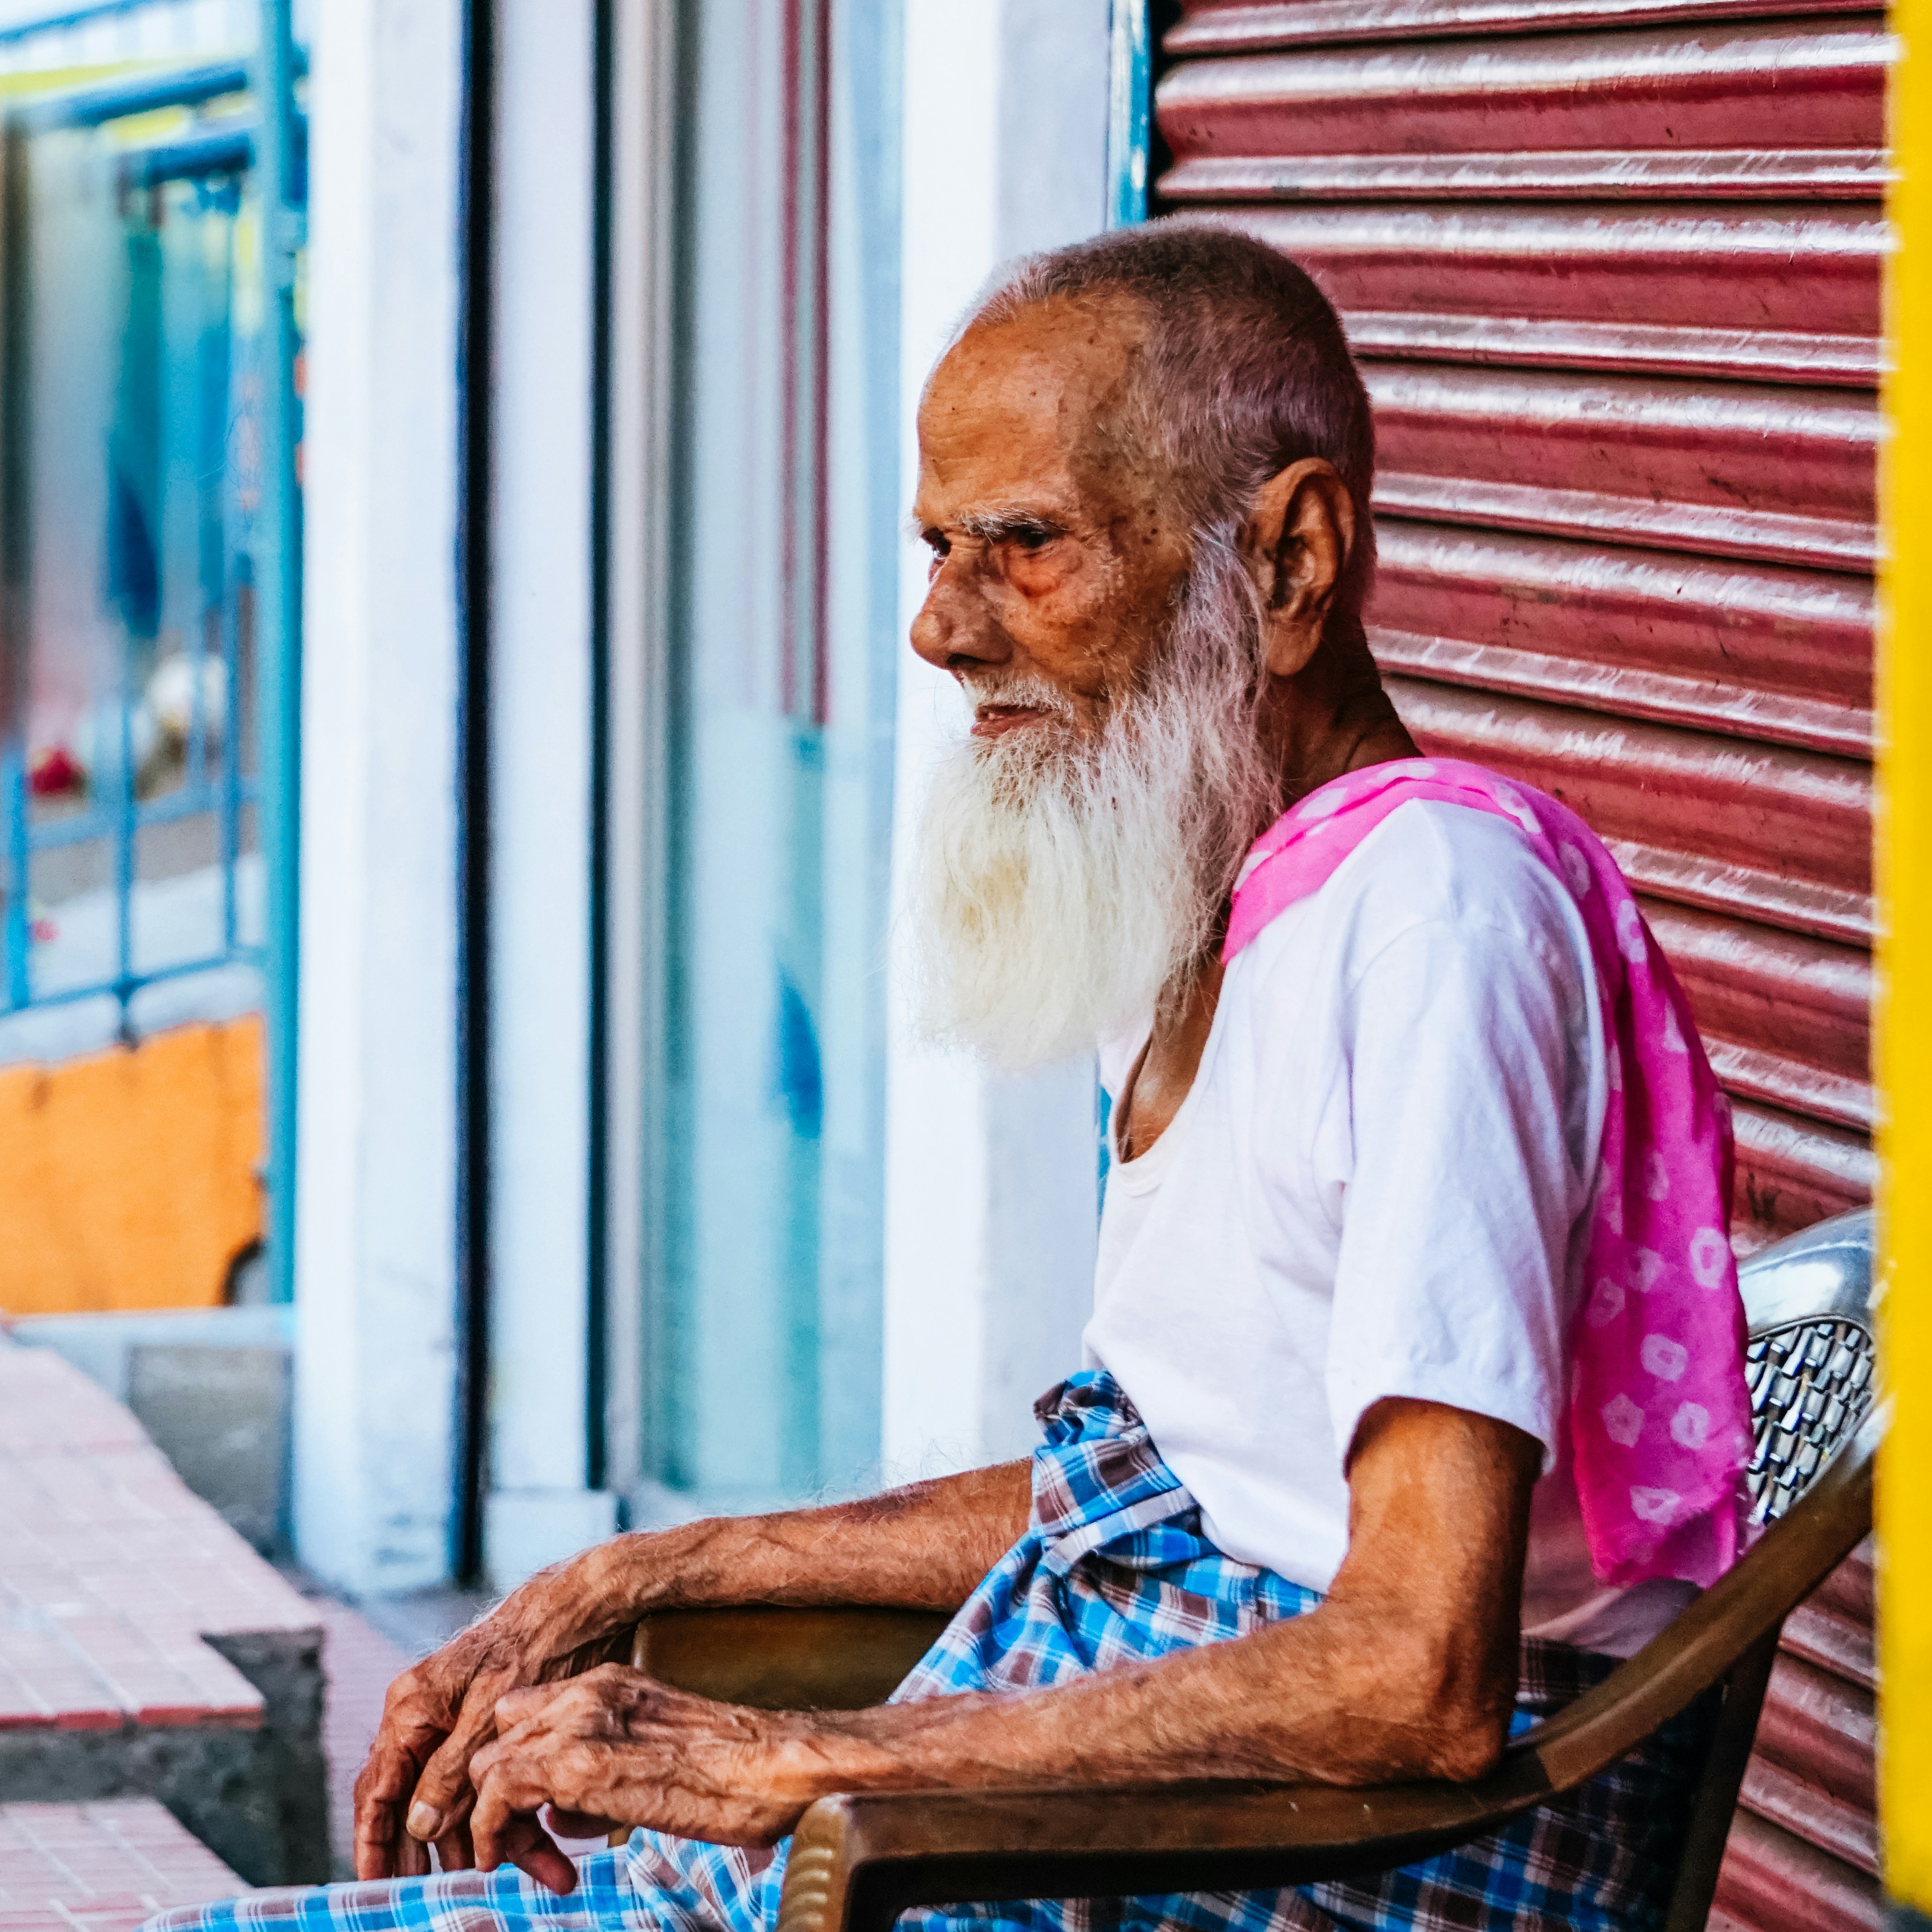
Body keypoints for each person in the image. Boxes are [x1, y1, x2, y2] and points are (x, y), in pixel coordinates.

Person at [150, 225, 1749, 1932]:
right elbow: (1193, 1489)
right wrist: (626, 1575)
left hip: (1274, 1872)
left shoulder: (1434, 917)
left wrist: (799, 1763)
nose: (938, 628)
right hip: (1021, 1845)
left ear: (1288, 560)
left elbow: (1413, 1669)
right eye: (937, 548)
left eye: (1026, 547)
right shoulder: (1253, 908)